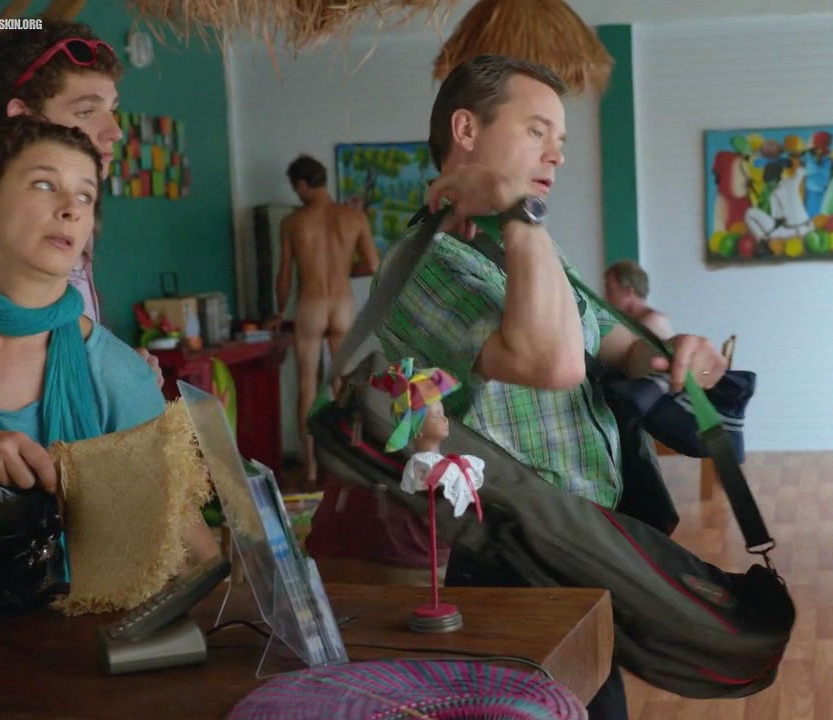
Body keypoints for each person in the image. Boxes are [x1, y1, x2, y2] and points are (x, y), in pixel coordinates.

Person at [373, 54, 727, 719]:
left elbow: (613, 346)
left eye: (560, 139)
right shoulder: (419, 264)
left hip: (585, 540)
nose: (557, 155)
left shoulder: (526, 244)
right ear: (466, 131)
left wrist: (678, 354)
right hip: (512, 557)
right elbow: (553, 363)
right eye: (537, 131)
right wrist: (520, 217)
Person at [0, 116, 219, 562]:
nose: (71, 208)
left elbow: (182, 536)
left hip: (65, 608)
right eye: (44, 185)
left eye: (86, 196)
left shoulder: (116, 374)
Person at [0, 20, 163, 385]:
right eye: (86, 112)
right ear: (23, 118)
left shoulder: (73, 216)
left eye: (112, 109)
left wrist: (115, 362)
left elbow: (61, 339)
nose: (115, 131)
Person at [270, 154, 378, 484]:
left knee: (307, 384)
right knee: (343, 385)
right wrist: (343, 271)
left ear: (302, 184)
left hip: (311, 305)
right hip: (343, 305)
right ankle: (348, 464)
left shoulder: (292, 223)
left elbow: (284, 276)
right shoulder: (354, 217)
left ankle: (311, 468)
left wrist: (279, 312)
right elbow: (373, 265)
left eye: (296, 187)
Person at [603, 260, 674, 340]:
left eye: (610, 291)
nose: (605, 297)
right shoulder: (629, 320)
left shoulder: (654, 322)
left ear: (628, 291)